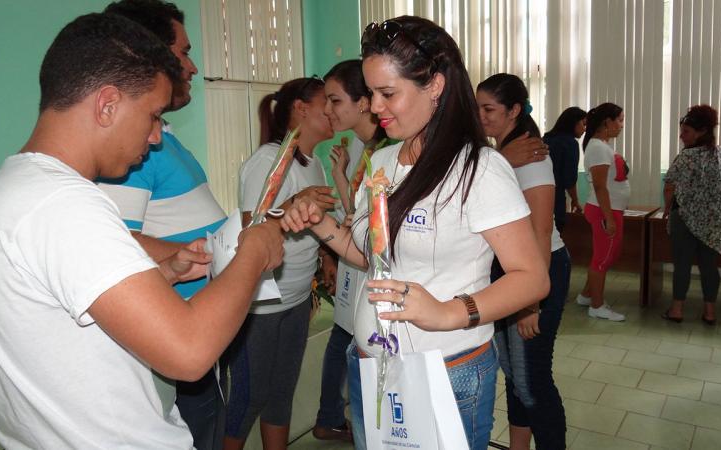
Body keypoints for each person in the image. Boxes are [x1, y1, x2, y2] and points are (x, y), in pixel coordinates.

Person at [0, 13, 283, 448]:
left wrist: (166, 275)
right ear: (107, 105)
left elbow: (63, 316)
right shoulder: (64, 204)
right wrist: (253, 253)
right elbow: (188, 352)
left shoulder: (7, 188)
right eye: (153, 115)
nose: (156, 136)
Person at [281, 16, 549, 450]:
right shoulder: (383, 164)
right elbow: (373, 257)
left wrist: (448, 312)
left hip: (445, 367)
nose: (375, 106)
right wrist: (321, 225)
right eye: (371, 93)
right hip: (372, 364)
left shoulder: (478, 170)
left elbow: (533, 277)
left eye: (388, 93)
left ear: (436, 86)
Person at [97, 1, 227, 447]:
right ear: (148, 56)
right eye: (183, 52)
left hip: (198, 322)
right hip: (175, 330)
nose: (192, 66)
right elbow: (119, 237)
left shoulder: (161, 137)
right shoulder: (132, 150)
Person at [222, 76, 334, 450]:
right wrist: (294, 201)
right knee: (249, 396)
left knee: (282, 392)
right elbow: (249, 232)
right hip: (264, 301)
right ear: (301, 109)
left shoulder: (313, 162)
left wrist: (323, 263)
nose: (333, 112)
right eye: (326, 104)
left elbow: (312, 229)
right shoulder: (268, 161)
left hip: (299, 296)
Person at [477, 73, 570, 450]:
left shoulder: (530, 155)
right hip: (505, 272)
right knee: (514, 374)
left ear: (515, 110)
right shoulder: (499, 153)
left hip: (537, 271)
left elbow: (541, 232)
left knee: (532, 380)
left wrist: (532, 299)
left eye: (490, 109)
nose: (481, 116)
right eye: (477, 108)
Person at [311, 59, 388, 443]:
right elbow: (358, 217)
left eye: (335, 100)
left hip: (376, 274)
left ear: (363, 102)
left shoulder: (389, 150)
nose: (327, 110)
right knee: (347, 342)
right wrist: (341, 179)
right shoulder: (364, 145)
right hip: (357, 260)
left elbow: (368, 225)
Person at [661, 105, 721, 324]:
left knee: (682, 265)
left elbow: (669, 187)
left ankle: (676, 310)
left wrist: (668, 208)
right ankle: (710, 313)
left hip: (683, 219)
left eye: (686, 131)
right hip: (714, 222)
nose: (681, 136)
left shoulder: (685, 158)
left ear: (702, 131)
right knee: (709, 266)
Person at [575, 103, 629, 321]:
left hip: (608, 209)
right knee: (602, 259)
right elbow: (599, 186)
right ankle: (597, 306)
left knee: (606, 256)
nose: (621, 125)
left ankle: (587, 295)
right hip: (603, 210)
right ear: (607, 122)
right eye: (620, 120)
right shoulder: (598, 147)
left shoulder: (601, 146)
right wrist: (608, 218)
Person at [544, 107, 587, 232]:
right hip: (555, 199)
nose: (585, 129)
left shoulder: (545, 139)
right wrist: (575, 200)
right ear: (574, 122)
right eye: (583, 124)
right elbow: (569, 179)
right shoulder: (569, 143)